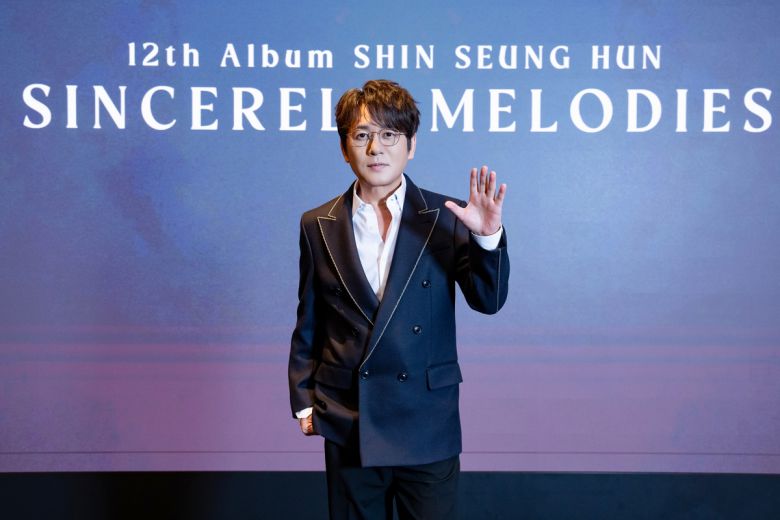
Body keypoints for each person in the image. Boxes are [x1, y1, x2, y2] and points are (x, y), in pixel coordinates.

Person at [288, 79, 509, 519]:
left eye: (389, 134)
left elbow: (488, 300)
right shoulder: (318, 223)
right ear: (344, 148)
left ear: (411, 146)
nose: (376, 148)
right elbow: (309, 319)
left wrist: (487, 238)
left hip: (426, 421)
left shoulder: (447, 216)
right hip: (349, 417)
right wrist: (304, 399)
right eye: (362, 135)